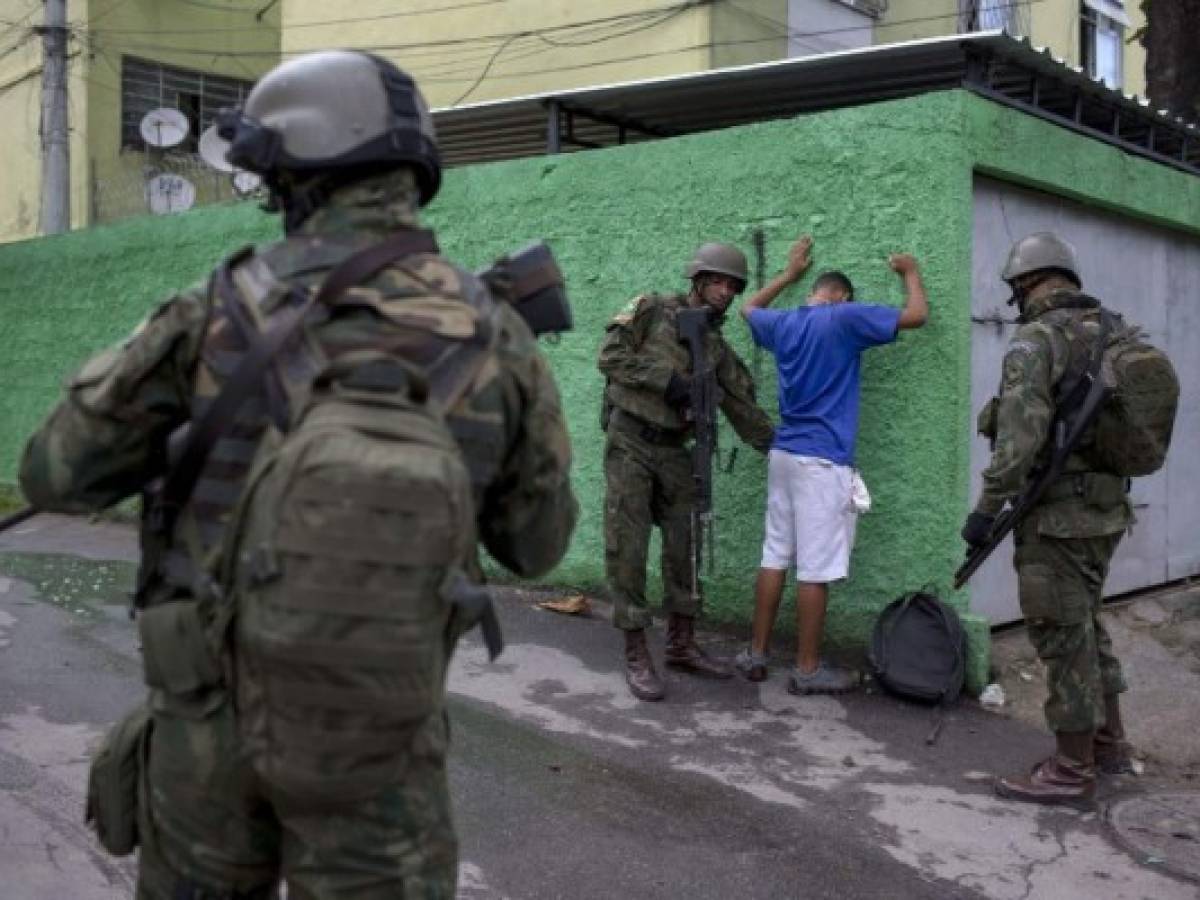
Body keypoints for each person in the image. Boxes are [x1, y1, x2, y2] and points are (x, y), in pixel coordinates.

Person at [19, 50, 578, 898]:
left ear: (292, 173)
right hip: (380, 747)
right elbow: (538, 545)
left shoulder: (215, 310)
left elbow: (55, 475)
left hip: (204, 734)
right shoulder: (494, 332)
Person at [963, 232, 1136, 807]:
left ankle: (1070, 769)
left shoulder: (1037, 341)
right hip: (1107, 512)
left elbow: (1018, 440)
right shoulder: (1113, 332)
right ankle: (1108, 743)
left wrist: (986, 512)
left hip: (1058, 518)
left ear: (1024, 284)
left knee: (1062, 634)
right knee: (1086, 622)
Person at [733, 235, 929, 693]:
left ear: (813, 291)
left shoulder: (785, 323)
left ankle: (756, 655)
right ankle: (806, 669)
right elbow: (917, 315)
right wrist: (911, 272)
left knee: (773, 555)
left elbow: (747, 309)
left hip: (783, 454)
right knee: (816, 567)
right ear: (841, 296)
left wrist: (788, 273)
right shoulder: (844, 317)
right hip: (822, 460)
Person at [597, 241, 775, 702]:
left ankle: (681, 642)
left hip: (677, 451)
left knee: (685, 546)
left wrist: (784, 448)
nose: (724, 291)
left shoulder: (715, 348)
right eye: (717, 281)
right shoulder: (651, 310)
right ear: (697, 280)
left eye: (732, 286)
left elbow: (742, 406)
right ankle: (636, 649)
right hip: (631, 441)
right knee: (628, 546)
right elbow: (609, 358)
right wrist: (669, 383)